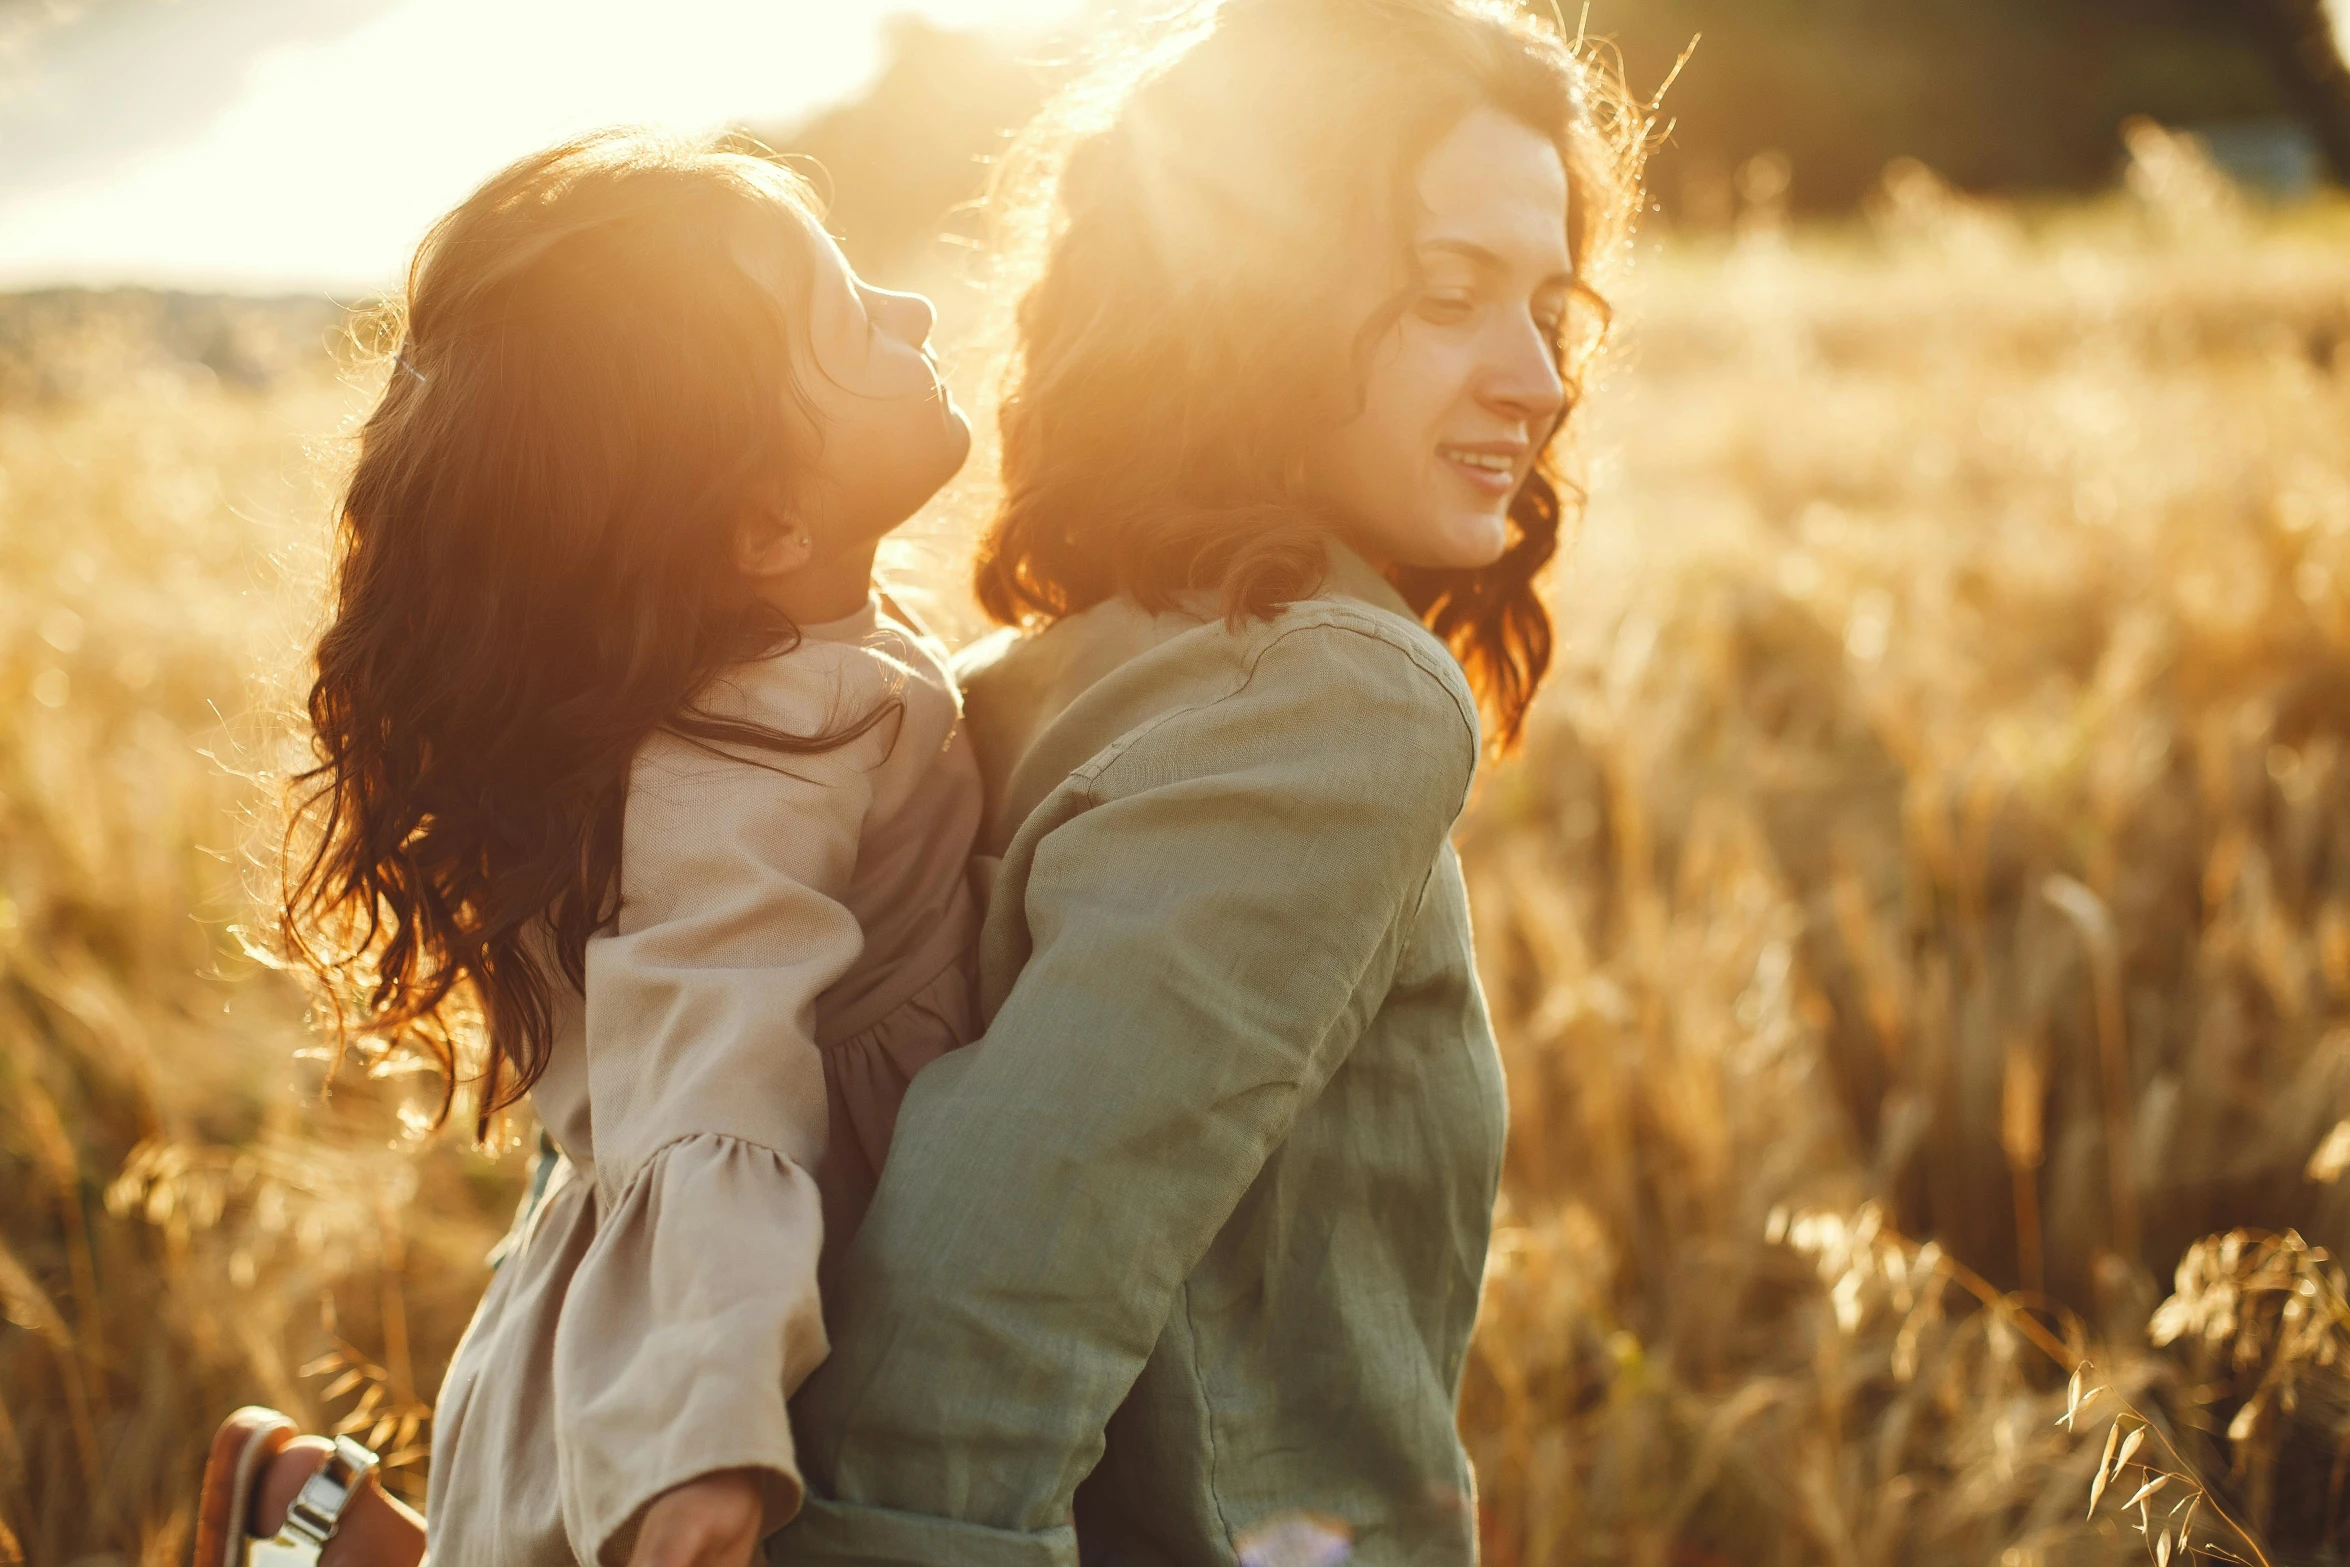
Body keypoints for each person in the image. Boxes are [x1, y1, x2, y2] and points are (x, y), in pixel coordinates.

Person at [775, 1, 1646, 1562]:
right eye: (1450, 295)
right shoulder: (1333, 694)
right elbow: (985, 1319)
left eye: (1549, 307)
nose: (1537, 379)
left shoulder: (1007, 682)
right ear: (1253, 295)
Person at [193, 129, 980, 1567]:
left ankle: (333, 1530)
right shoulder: (756, 746)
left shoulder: (770, 661)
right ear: (762, 518)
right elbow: (708, 1051)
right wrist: (698, 1436)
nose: (913, 314)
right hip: (700, 1324)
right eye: (850, 320)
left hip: (632, 1319)